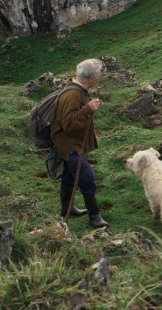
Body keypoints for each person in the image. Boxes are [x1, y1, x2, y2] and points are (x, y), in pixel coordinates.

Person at [51, 58, 108, 228]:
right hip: (71, 146)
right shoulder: (73, 95)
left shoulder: (77, 90)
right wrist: (87, 109)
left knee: (69, 176)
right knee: (87, 178)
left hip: (68, 144)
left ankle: (67, 208)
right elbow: (68, 124)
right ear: (92, 79)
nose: (98, 78)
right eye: (97, 76)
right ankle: (95, 217)